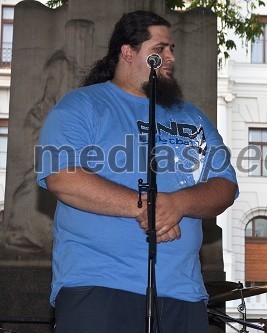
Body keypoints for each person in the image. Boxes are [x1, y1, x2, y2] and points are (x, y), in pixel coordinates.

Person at [36, 10, 238, 333]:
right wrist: (148, 207)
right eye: (159, 50)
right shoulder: (81, 106)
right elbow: (61, 175)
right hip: (97, 287)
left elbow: (226, 185)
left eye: (172, 48)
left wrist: (180, 203)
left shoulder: (192, 117)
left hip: (184, 294)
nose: (170, 57)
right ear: (127, 53)